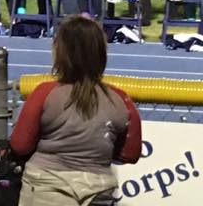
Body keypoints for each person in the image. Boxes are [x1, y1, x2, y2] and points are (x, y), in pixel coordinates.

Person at [10, 16, 142, 205]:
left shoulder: (45, 93)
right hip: (99, 188)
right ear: (101, 53)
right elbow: (130, 153)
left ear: (60, 52)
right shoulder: (121, 100)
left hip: (46, 184)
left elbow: (20, 145)